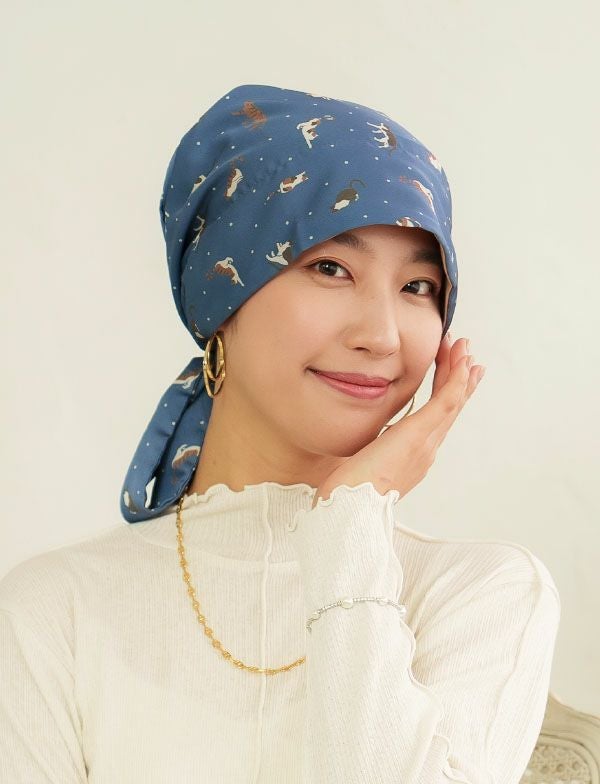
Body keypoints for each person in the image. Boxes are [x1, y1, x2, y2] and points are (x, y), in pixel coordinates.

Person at [0, 83, 560, 783]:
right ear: (222, 294)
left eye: (418, 287)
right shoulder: (54, 611)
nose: (383, 336)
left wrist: (350, 519)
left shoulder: (478, 596)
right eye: (330, 268)